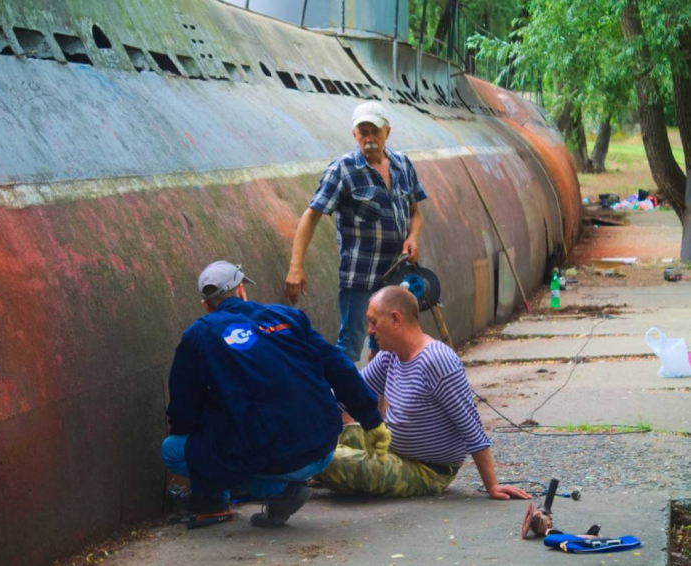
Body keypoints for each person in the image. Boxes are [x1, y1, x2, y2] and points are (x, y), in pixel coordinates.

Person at [162, 261, 392, 528]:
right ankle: (238, 490)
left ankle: (277, 492)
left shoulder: (199, 335)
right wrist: (372, 421)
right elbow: (339, 366)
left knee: (174, 451)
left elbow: (183, 410)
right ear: (241, 291)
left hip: (283, 457)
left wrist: (203, 448)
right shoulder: (288, 317)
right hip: (325, 444)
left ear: (205, 306)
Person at [318, 286, 530, 501]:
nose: (370, 330)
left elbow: (471, 426)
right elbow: (350, 394)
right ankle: (310, 472)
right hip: (392, 448)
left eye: (374, 322)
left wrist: (492, 486)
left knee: (329, 458)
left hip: (426, 470)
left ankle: (312, 472)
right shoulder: (389, 355)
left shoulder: (437, 361)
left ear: (395, 319)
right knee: (317, 439)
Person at [285, 101, 428, 362]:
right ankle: (341, 402)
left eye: (375, 131)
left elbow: (416, 213)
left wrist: (412, 237)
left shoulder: (402, 165)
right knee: (350, 345)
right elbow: (311, 216)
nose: (369, 139)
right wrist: (296, 266)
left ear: (388, 132)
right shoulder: (342, 170)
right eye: (363, 132)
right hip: (360, 278)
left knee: (390, 344)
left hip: (397, 275)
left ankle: (382, 401)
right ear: (354, 135)